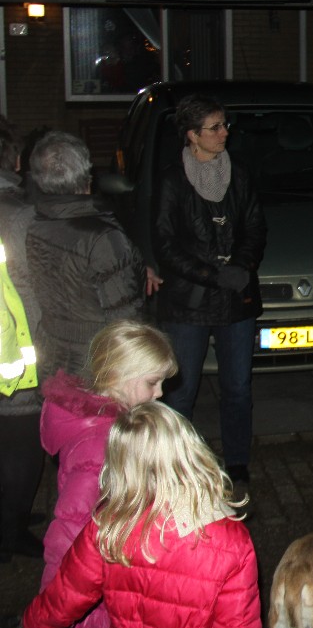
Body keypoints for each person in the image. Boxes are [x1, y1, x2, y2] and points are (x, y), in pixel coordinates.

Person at [23, 400, 259, 628]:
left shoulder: (108, 525)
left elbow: (65, 597)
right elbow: (238, 627)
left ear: (118, 463)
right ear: (190, 449)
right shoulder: (232, 540)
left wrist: (32, 627)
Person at [38, 319, 178, 628]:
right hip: (96, 598)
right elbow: (71, 529)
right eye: (152, 382)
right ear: (119, 376)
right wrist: (53, 607)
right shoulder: (100, 445)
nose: (159, 393)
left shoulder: (115, 429)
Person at [155, 94, 266, 486]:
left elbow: (255, 227)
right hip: (189, 303)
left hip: (237, 300)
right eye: (214, 127)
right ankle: (175, 468)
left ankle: (236, 461)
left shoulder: (240, 174)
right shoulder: (172, 180)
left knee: (237, 387)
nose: (224, 133)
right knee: (180, 392)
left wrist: (242, 267)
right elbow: (165, 243)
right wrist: (212, 275)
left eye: (224, 125)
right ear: (192, 135)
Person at [25, 132, 144, 380]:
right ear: (87, 176)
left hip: (51, 356)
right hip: (95, 363)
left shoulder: (36, 224)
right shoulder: (102, 237)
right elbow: (125, 320)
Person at [0, 122, 44, 563]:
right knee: (22, 445)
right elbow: (35, 285)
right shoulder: (20, 215)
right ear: (15, 162)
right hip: (11, 352)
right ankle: (10, 533)